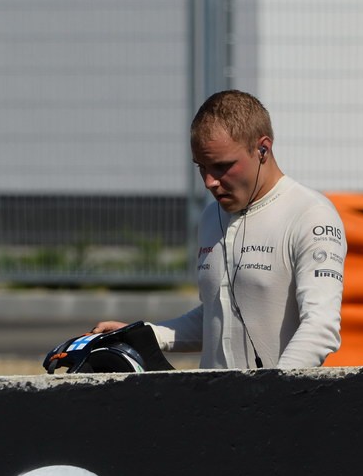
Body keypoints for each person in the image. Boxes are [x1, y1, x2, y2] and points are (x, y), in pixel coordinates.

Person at [93, 90, 346, 370]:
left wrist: (274, 390)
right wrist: (144, 335)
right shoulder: (211, 216)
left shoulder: (311, 215)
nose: (209, 182)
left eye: (222, 167)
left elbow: (321, 327)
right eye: (201, 167)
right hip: (214, 405)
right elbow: (216, 316)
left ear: (263, 149)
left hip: (278, 406)